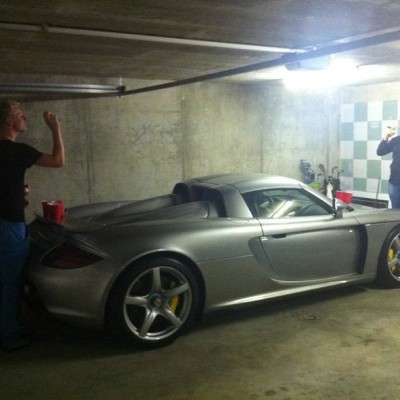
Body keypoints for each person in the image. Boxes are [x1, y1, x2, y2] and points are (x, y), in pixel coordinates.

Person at [0, 100, 65, 351]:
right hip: (8, 228)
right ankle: (10, 336)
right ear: (9, 122)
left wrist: (19, 196)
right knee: (10, 284)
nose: (24, 117)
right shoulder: (17, 151)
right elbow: (58, 160)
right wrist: (55, 128)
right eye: (19, 114)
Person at [377, 126, 400, 208]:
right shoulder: (397, 140)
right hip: (394, 183)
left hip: (394, 184)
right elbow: (380, 151)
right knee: (395, 213)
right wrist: (385, 137)